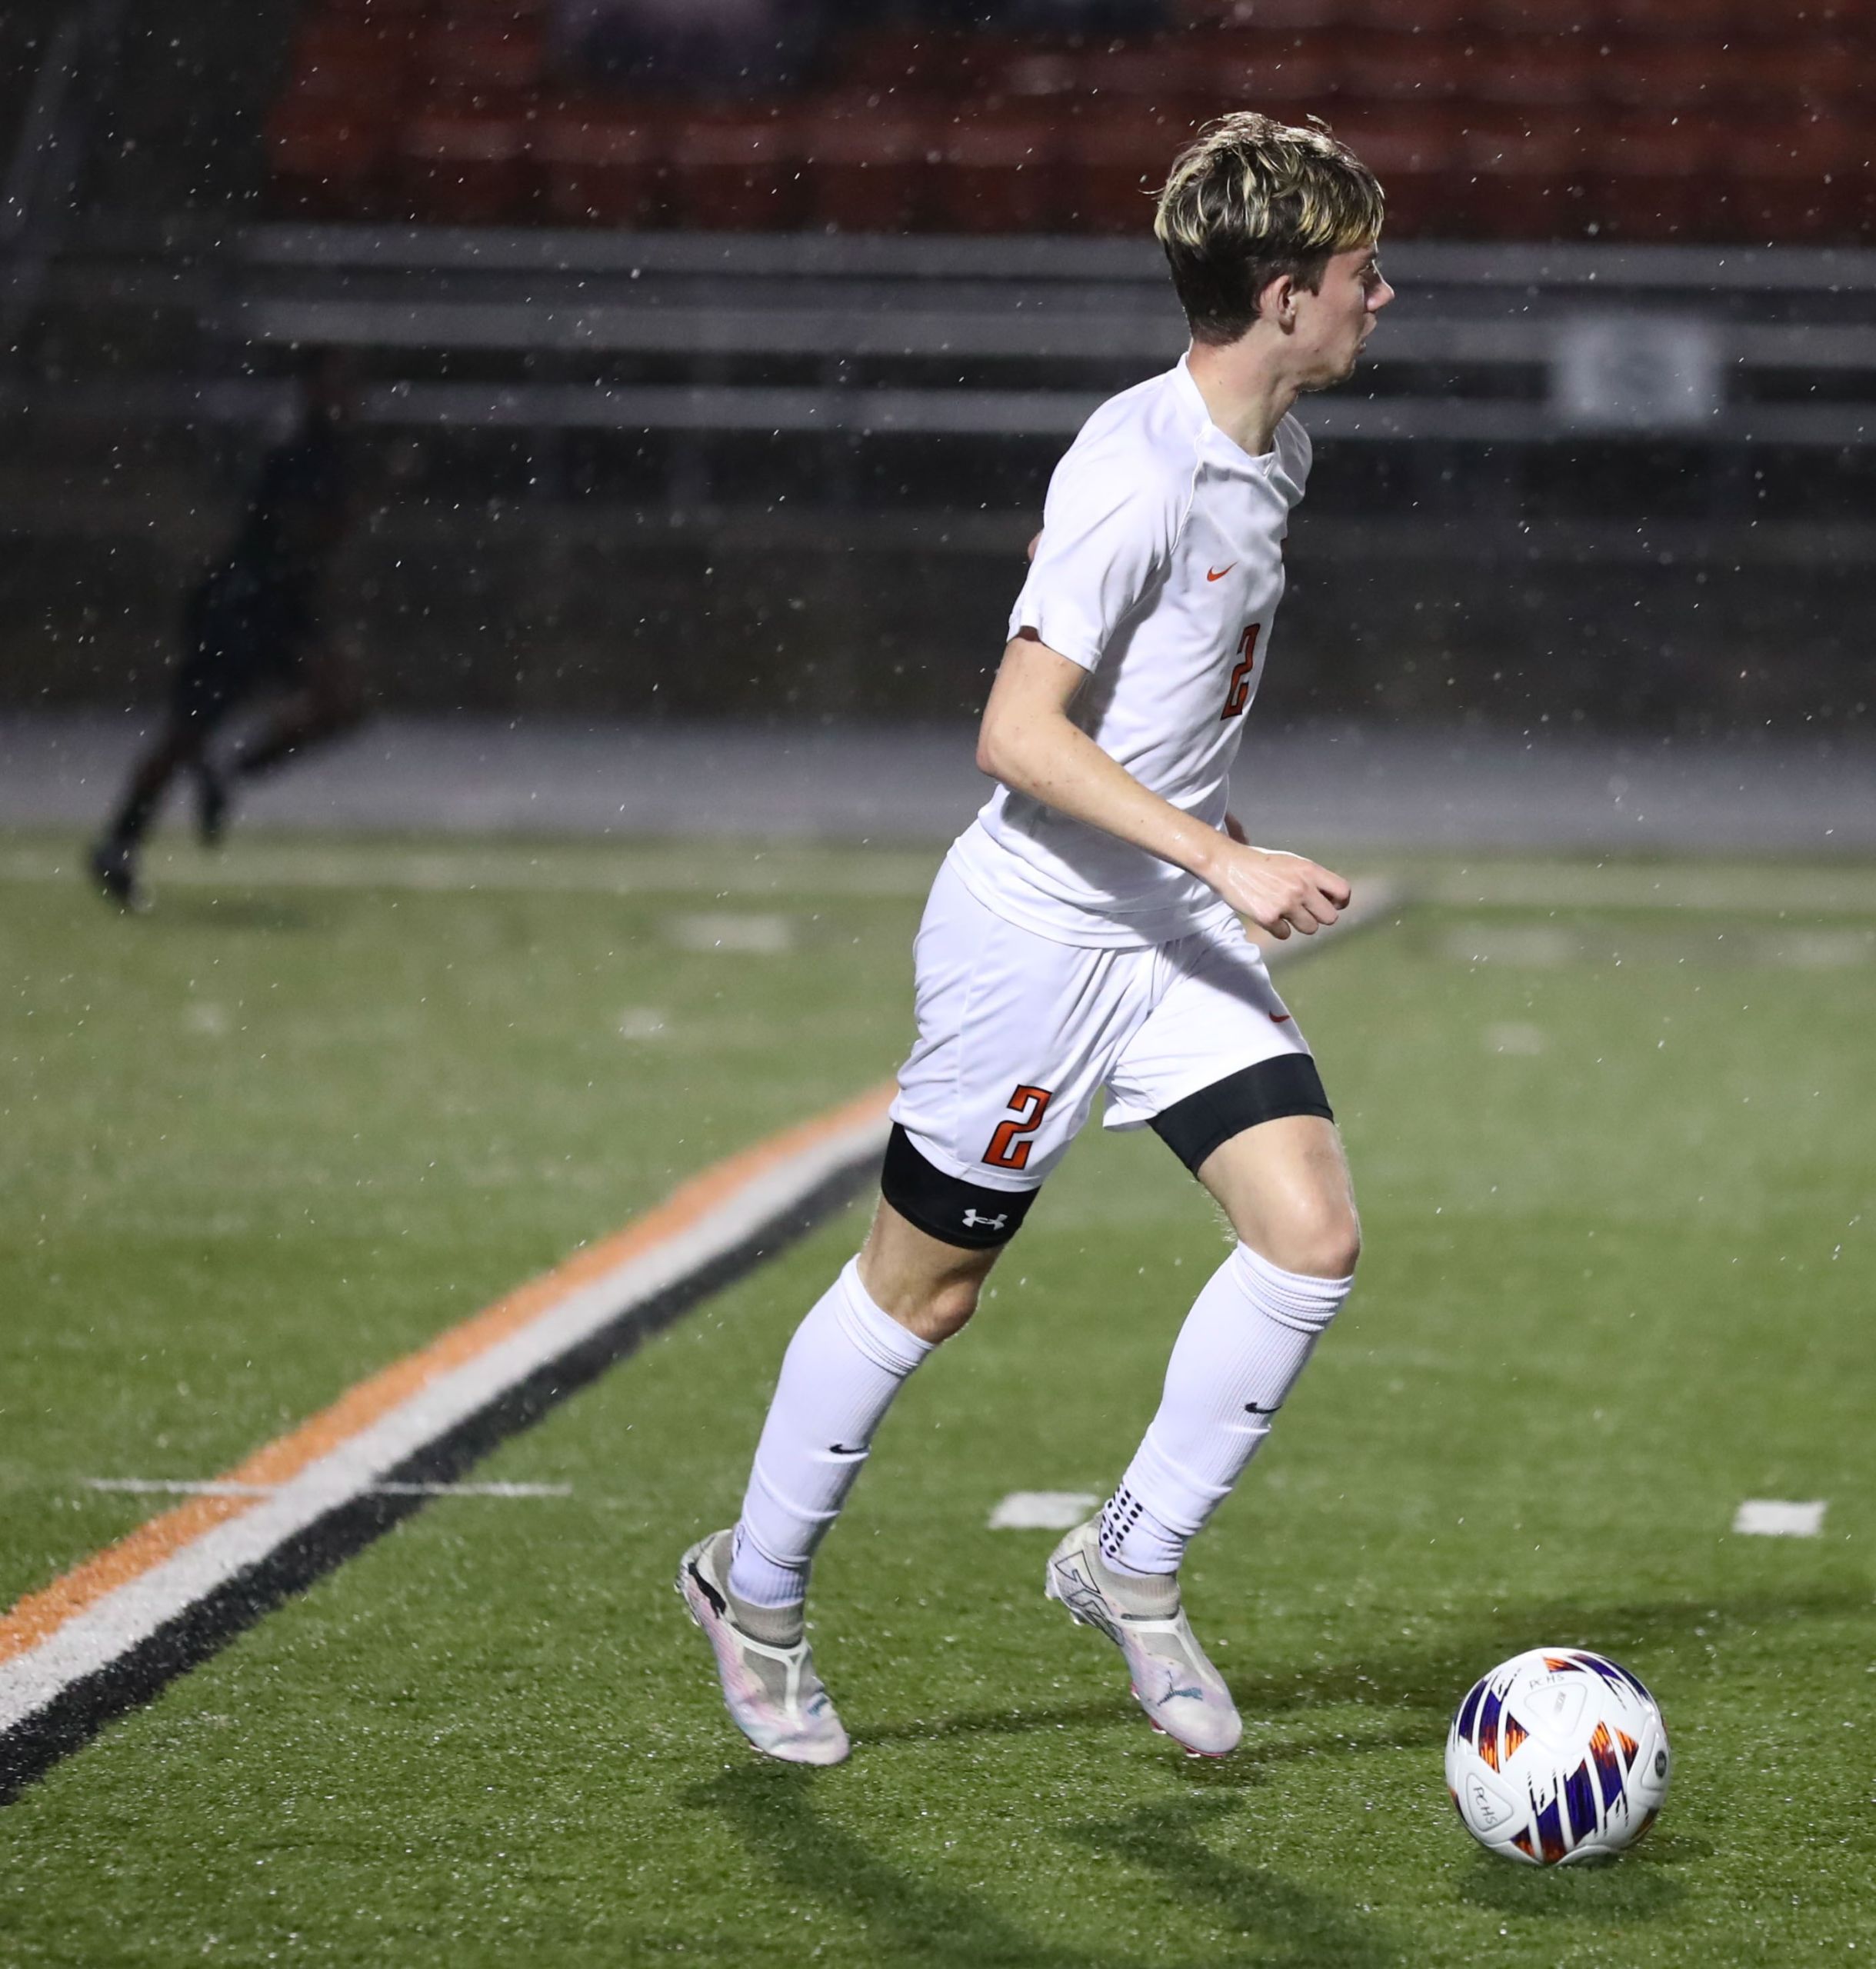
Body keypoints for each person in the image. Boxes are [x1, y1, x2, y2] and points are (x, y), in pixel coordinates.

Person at [679, 112, 1393, 1764]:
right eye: (1362, 271)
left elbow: (1166, 698)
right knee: (923, 1293)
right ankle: (752, 1590)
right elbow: (1013, 733)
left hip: (1165, 932)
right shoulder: (1135, 472)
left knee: (1308, 1239)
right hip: (1035, 946)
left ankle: (1127, 1558)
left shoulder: (1275, 451)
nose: (1383, 295)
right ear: (1282, 294)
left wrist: (1203, 860)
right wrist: (1221, 856)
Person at [88, 348, 366, 909]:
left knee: (339, 702)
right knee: (186, 731)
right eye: (334, 382)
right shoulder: (295, 451)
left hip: (281, 609)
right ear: (311, 388)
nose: (347, 395)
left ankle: (226, 775)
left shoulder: (330, 452)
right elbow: (296, 534)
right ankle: (120, 842)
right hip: (243, 608)